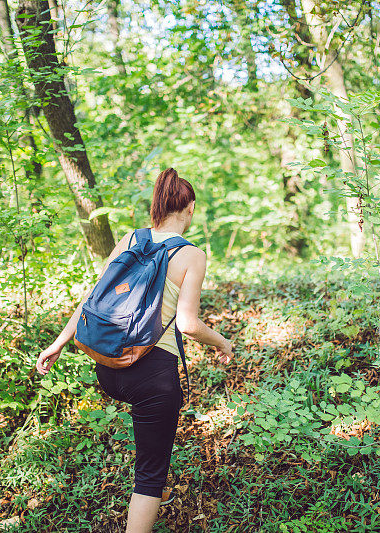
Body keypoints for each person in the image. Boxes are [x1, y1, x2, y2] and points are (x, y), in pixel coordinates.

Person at [35, 168, 234, 533]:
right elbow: (188, 325)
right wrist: (222, 342)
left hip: (108, 368)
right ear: (189, 209)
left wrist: (59, 342)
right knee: (149, 478)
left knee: (144, 452)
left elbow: (93, 299)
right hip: (153, 377)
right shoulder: (192, 255)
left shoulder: (130, 238)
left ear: (157, 206)